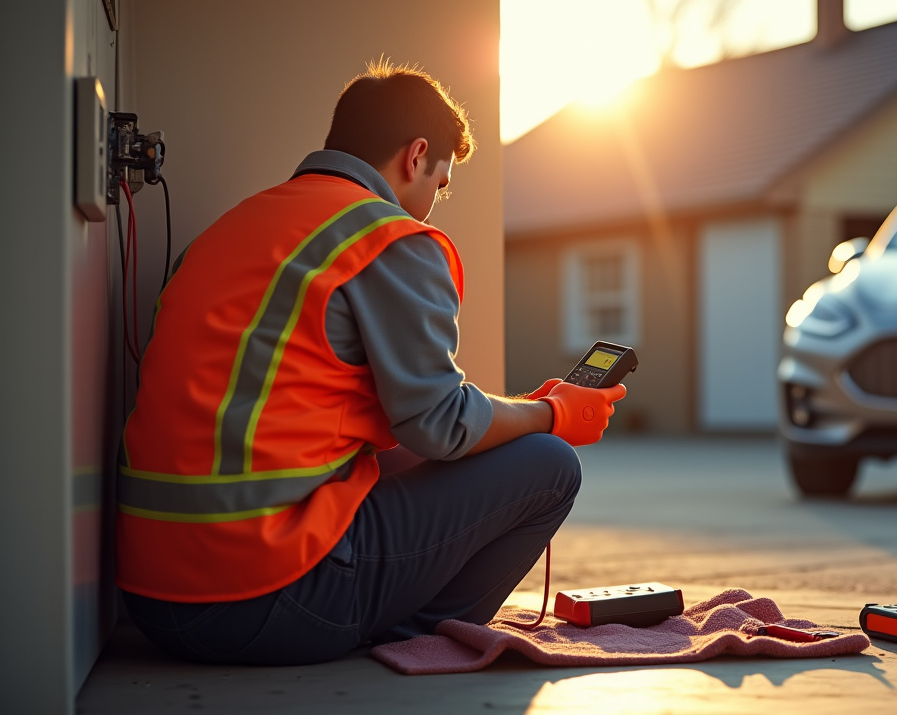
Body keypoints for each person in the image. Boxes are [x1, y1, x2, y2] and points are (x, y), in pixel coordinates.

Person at [116, 62, 627, 665]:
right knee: (550, 464)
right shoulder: (386, 238)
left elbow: (391, 432)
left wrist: (514, 416)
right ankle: (418, 638)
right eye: (440, 185)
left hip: (153, 598)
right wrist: (550, 415)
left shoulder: (230, 231)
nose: (431, 207)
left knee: (409, 457)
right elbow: (441, 425)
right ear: (416, 157)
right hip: (270, 601)